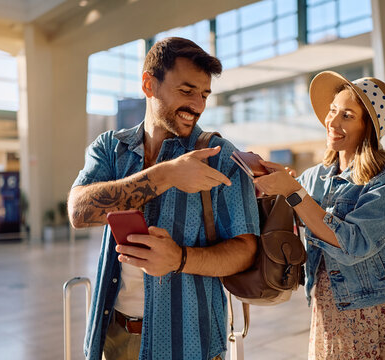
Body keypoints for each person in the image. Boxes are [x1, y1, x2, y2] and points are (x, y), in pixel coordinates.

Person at [68, 37, 259, 360]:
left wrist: (180, 259)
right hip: (114, 340)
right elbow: (78, 211)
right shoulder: (110, 149)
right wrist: (166, 174)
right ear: (148, 84)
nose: (197, 105)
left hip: (191, 344)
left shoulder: (219, 156)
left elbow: (246, 251)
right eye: (187, 91)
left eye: (204, 94)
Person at [253, 71, 385, 359]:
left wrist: (296, 194)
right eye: (333, 111)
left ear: (367, 127)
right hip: (326, 316)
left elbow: (355, 244)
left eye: (347, 115)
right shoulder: (313, 177)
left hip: (377, 317)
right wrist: (271, 189)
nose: (332, 121)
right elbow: (293, 230)